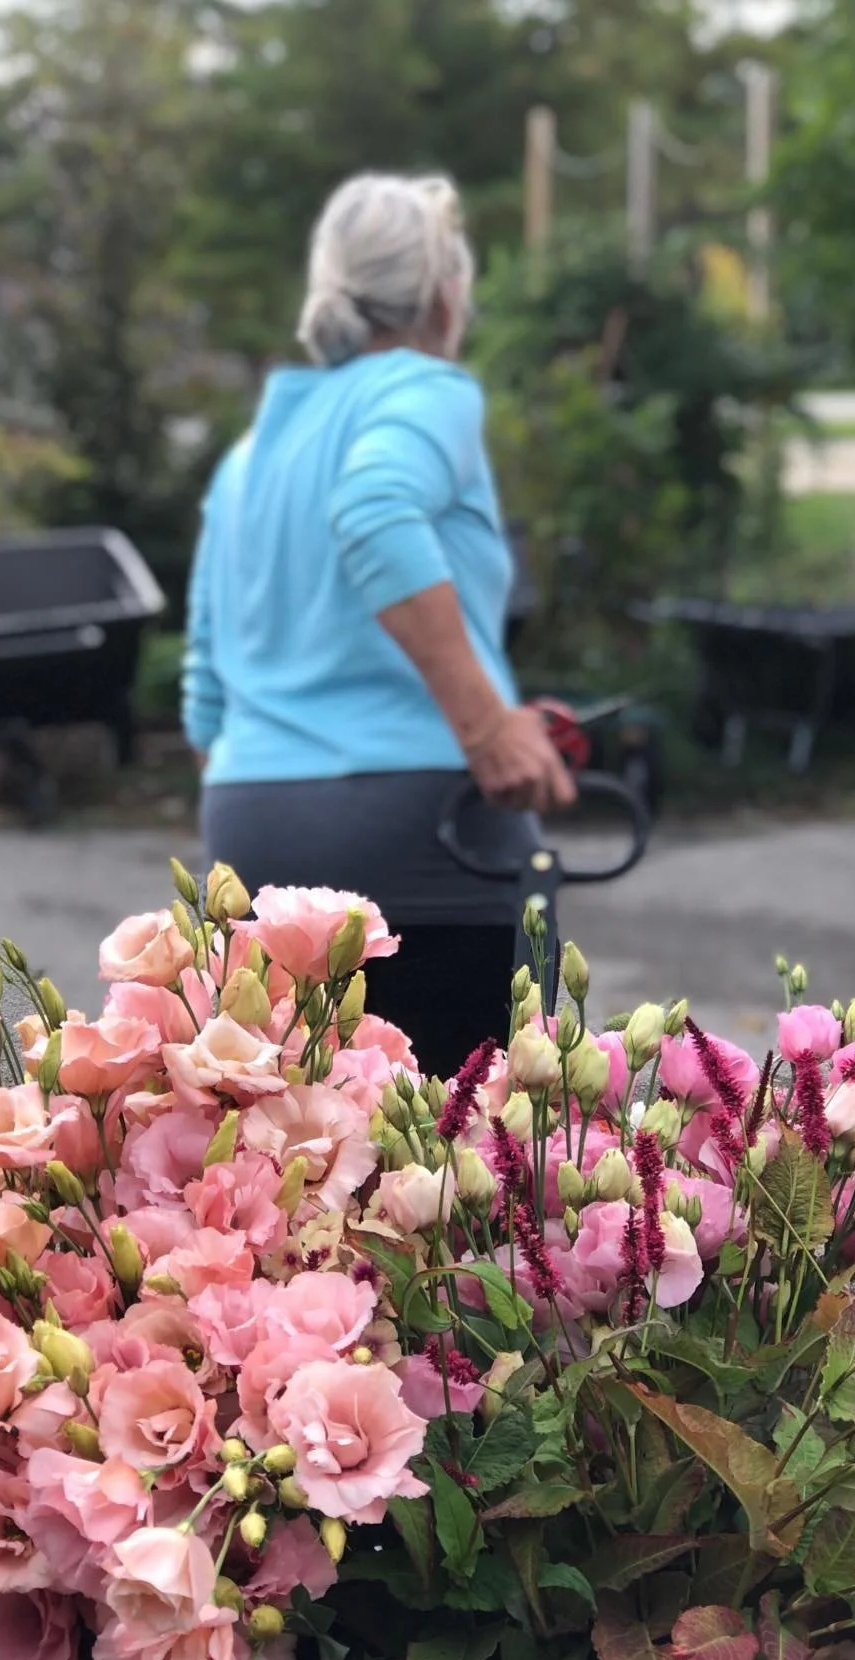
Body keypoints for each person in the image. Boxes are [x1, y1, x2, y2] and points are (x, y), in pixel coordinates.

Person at [182, 171, 575, 1077]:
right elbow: (374, 509)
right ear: (447, 292)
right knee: (455, 1178)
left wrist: (296, 802)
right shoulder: (427, 392)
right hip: (423, 835)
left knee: (292, 1188)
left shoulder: (253, 454)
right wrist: (483, 725)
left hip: (251, 834)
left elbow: (209, 692)